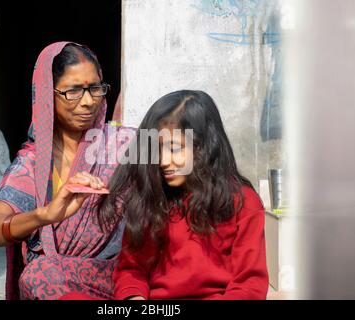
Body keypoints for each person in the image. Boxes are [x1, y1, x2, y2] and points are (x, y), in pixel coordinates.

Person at [0, 41, 135, 300]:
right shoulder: (33, 164)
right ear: (48, 95)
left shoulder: (126, 144)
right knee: (40, 276)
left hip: (124, 276)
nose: (88, 102)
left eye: (95, 88)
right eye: (73, 91)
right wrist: (44, 215)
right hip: (57, 283)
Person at [98, 90, 269, 300]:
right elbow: (132, 270)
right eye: (157, 149)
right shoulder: (152, 197)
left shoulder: (243, 201)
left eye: (174, 148)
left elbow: (249, 285)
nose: (162, 160)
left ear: (203, 147)